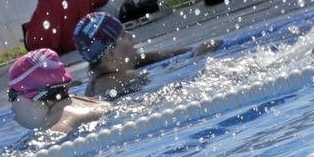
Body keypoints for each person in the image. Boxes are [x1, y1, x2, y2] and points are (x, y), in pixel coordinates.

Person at [73, 12, 221, 100]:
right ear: (110, 53)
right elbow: (178, 87)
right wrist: (199, 56)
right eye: (123, 35)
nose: (131, 35)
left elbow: (143, 58)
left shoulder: (96, 80)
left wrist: (189, 51)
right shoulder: (131, 77)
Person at [5, 48, 109, 135]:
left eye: (12, 95)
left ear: (35, 100)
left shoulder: (59, 128)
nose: (10, 103)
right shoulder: (88, 102)